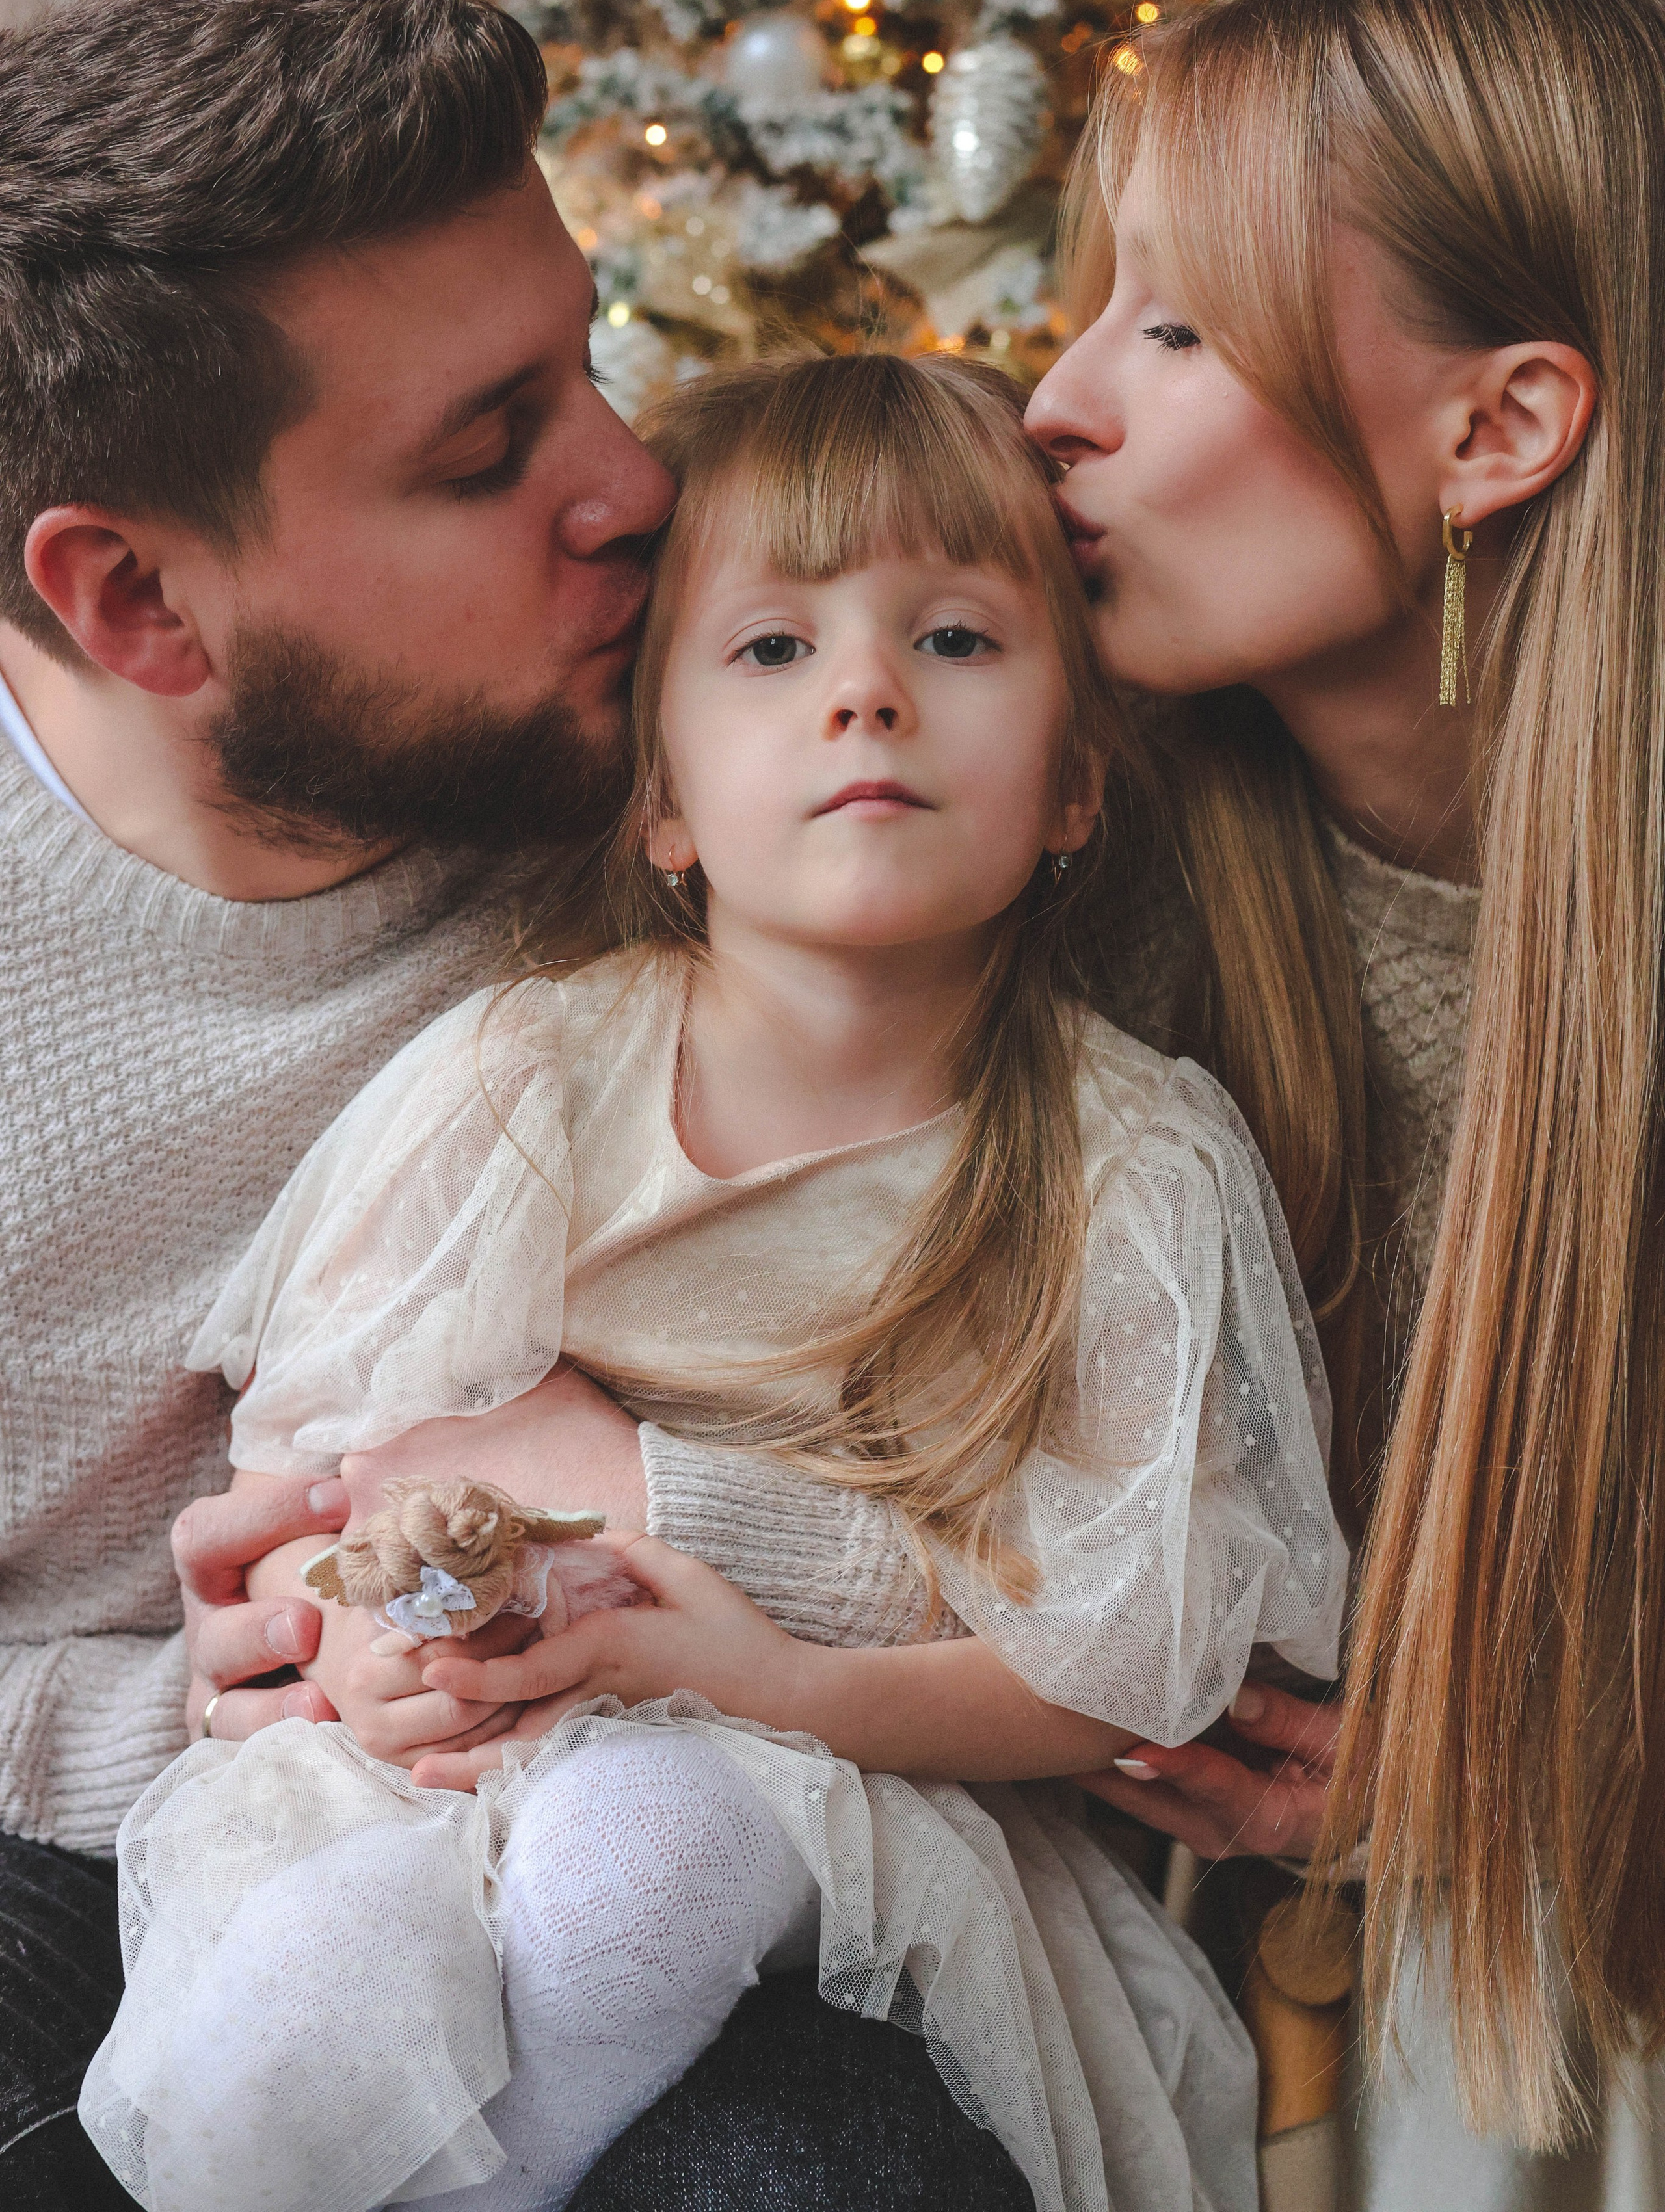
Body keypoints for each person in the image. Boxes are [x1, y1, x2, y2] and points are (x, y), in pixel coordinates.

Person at [82, 352, 1350, 2212]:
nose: (864, 693)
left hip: (856, 1785)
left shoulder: (1128, 1158)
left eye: (956, 640)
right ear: (664, 802)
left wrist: (764, 1680)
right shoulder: (529, 1073)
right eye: (772, 650)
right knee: (322, 1958)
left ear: (1076, 785)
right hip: (475, 1732)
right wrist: (373, 1656)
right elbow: (331, 1473)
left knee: (640, 1852)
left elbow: (1124, 1663)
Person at [0, 0, 1016, 2212]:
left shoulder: (726, 774)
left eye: (593, 356)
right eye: (486, 450)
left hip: (654, 1790)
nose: (633, 481)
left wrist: (631, 1496)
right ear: (138, 600)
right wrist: (174, 1707)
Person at [1024, 0, 1665, 2205]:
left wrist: (1526, 1774)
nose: (1052, 404)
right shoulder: (1078, 860)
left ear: (1500, 430)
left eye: (1175, 330)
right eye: (1096, 306)